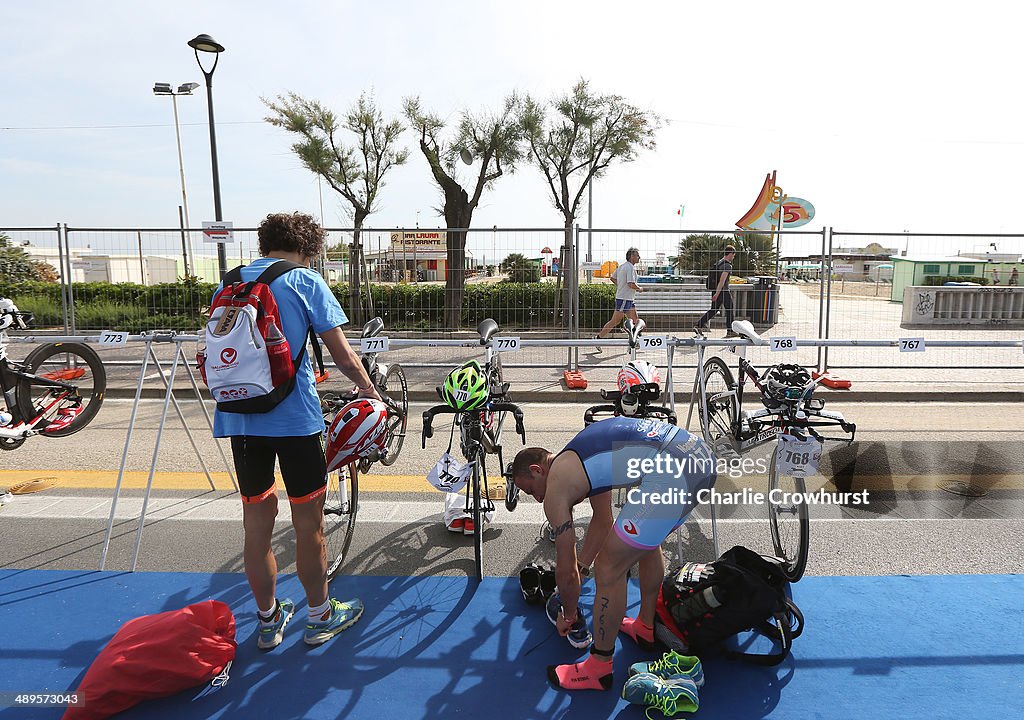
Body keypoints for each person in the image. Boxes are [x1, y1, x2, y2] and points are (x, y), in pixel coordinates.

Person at [212, 212, 380, 650]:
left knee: (256, 524)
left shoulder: (229, 282)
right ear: (310, 247)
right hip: (295, 420)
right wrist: (369, 390)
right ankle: (320, 616)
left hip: (240, 417)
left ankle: (268, 622)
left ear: (265, 241)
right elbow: (342, 355)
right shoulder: (304, 281)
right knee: (309, 524)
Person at [511, 416, 716, 692]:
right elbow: (602, 521)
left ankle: (599, 666)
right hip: (699, 459)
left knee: (609, 568)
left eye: (530, 490)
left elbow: (565, 567)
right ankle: (645, 626)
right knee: (643, 541)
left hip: (674, 471)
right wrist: (583, 567)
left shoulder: (557, 486)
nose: (537, 499)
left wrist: (569, 612)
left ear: (537, 470)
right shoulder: (582, 458)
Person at [594, 248, 644, 352]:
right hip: (624, 299)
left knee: (635, 320)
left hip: (627, 299)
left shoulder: (622, 266)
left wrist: (620, 285)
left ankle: (634, 343)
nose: (639, 257)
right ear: (631, 257)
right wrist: (639, 288)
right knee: (615, 321)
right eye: (637, 255)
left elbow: (612, 278)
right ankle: (598, 339)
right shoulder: (629, 268)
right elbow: (631, 284)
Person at [694, 245, 737, 338]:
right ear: (730, 253)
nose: (733, 257)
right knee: (730, 309)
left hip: (715, 290)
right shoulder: (727, 265)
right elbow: (722, 281)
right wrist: (717, 294)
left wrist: (715, 293)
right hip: (723, 291)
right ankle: (730, 330)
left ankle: (699, 325)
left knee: (714, 310)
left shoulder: (719, 262)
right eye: (733, 255)